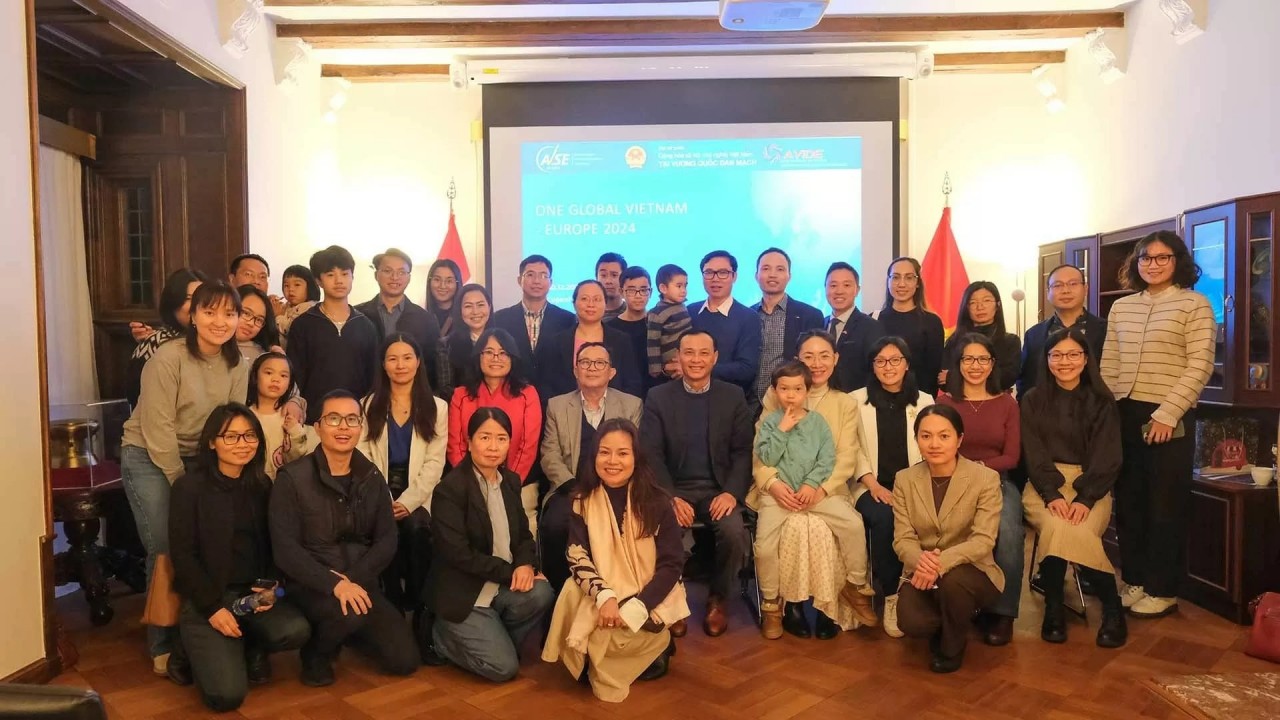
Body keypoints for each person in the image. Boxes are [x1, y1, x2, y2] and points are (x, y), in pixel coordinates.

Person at [120, 281, 249, 673]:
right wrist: (185, 485)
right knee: (165, 542)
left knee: (206, 540)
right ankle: (161, 640)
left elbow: (233, 418)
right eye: (209, 312)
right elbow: (157, 429)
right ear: (192, 316)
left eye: (229, 313)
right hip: (148, 455)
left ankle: (196, 629)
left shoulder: (237, 363)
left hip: (201, 456)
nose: (219, 321)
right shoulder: (167, 357)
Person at [269, 391, 419, 686]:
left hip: (360, 582)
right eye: (334, 419)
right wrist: (335, 584)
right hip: (312, 585)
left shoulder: (372, 476)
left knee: (405, 660)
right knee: (347, 613)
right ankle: (316, 653)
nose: (343, 427)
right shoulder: (292, 478)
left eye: (352, 419)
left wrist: (352, 580)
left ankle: (346, 633)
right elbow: (285, 550)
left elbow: (387, 539)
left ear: (361, 427)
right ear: (318, 427)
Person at [1101, 230, 1215, 618]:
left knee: (1164, 505)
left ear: (1177, 261)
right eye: (1146, 258)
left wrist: (1168, 413)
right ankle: (1134, 580)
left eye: (1162, 258)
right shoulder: (1121, 308)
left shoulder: (1194, 305)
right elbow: (1109, 363)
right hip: (1124, 410)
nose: (1152, 264)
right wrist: (1107, 409)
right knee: (1130, 502)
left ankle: (1163, 589)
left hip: (1170, 415)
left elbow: (1199, 365)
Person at [168, 404, 311, 711]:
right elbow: (183, 555)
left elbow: (274, 541)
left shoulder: (262, 484)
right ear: (211, 442)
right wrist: (211, 608)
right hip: (209, 596)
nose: (242, 444)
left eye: (249, 435)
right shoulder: (188, 488)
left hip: (250, 594)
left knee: (296, 630)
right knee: (226, 696)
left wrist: (270, 583)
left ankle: (250, 645)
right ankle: (184, 650)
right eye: (230, 437)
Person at [541, 419, 687, 702]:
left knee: (599, 650)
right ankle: (613, 654)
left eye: (622, 453)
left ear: (636, 457)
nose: (612, 461)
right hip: (606, 594)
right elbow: (577, 555)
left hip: (646, 599)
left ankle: (656, 646)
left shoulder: (657, 502)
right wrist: (605, 596)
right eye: (604, 452)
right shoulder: (582, 500)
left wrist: (635, 607)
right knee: (573, 588)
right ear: (594, 456)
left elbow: (671, 565)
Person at [751, 360, 876, 640]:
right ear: (775, 390)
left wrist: (811, 485)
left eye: (797, 389)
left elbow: (827, 459)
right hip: (779, 497)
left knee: (853, 525)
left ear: (807, 391)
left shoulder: (818, 422)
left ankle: (855, 585)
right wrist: (781, 430)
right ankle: (772, 604)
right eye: (784, 389)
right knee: (764, 545)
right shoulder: (771, 421)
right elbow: (766, 458)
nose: (791, 395)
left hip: (814, 493)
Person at [428, 407, 554, 683]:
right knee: (503, 668)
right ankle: (441, 638)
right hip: (464, 595)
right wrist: (513, 572)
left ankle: (493, 637)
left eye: (501, 438)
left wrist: (525, 564)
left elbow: (522, 534)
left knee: (542, 592)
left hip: (499, 585)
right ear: (469, 441)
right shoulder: (449, 489)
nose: (493, 447)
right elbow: (459, 555)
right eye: (485, 437)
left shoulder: (510, 481)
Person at [641, 330, 753, 637]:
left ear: (715, 358)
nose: (696, 360)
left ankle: (718, 598)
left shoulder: (732, 396)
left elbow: (743, 451)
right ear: (677, 357)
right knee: (665, 530)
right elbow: (651, 454)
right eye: (688, 353)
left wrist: (731, 492)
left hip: (719, 489)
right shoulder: (658, 397)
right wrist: (670, 497)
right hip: (675, 489)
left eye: (704, 353)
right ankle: (672, 600)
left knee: (733, 533)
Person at [1022, 328, 1127, 648]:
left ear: (1085, 359)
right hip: (1042, 485)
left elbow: (1108, 456)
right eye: (1056, 355)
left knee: (1074, 529)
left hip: (1093, 486)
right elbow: (1033, 452)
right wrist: (1052, 494)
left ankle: (1068, 608)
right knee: (1055, 523)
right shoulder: (1032, 399)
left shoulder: (1101, 401)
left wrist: (1085, 498)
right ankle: (1104, 606)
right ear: (1047, 359)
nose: (1064, 361)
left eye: (1072, 355)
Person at [893, 404, 1004, 673]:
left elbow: (983, 541)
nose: (934, 444)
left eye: (944, 436)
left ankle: (952, 646)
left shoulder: (985, 479)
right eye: (925, 435)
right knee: (912, 623)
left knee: (954, 582)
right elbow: (903, 539)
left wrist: (938, 564)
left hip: (973, 571)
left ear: (960, 439)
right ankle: (955, 618)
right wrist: (921, 561)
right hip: (922, 570)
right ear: (917, 438)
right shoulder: (905, 479)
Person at [936, 333, 1023, 645]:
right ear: (958, 365)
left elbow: (1011, 457)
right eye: (968, 359)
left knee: (1010, 532)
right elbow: (938, 447)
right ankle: (954, 605)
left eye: (982, 359)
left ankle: (1003, 612)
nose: (975, 366)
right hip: (950, 482)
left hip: (996, 481)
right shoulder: (944, 402)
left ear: (992, 364)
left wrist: (978, 471)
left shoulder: (1007, 403)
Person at [357, 333, 448, 622]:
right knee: (385, 530)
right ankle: (392, 604)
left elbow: (435, 462)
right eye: (392, 358)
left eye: (407, 357)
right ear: (383, 365)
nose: (400, 365)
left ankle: (422, 608)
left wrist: (408, 501)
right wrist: (384, 498)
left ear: (418, 362)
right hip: (378, 487)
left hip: (419, 490)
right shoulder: (368, 404)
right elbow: (363, 457)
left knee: (417, 529)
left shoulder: (437, 407)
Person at [539, 342, 644, 591]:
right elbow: (549, 453)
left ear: (612, 372)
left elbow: (635, 454)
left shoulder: (631, 405)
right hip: (570, 487)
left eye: (600, 363)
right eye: (585, 362)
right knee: (554, 526)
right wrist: (573, 487)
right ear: (576, 370)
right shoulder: (557, 405)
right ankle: (560, 592)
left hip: (617, 488)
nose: (592, 368)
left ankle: (618, 589)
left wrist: (609, 487)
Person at [851, 336, 935, 638]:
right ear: (872, 366)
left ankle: (928, 590)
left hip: (915, 484)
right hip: (870, 485)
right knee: (886, 518)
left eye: (895, 359)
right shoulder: (855, 400)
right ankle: (891, 597)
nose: (889, 367)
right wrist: (870, 482)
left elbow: (930, 447)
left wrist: (911, 489)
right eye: (881, 361)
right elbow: (852, 448)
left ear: (907, 363)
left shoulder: (925, 401)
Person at [447, 328, 543, 529]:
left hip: (518, 483)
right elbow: (456, 446)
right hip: (468, 484)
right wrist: (473, 483)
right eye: (489, 352)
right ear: (478, 356)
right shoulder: (461, 395)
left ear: (512, 357)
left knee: (522, 532)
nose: (496, 358)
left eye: (503, 353)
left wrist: (508, 484)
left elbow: (528, 447)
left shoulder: (528, 394)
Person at [286, 245, 379, 423]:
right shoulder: (303, 324)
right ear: (318, 281)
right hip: (314, 419)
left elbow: (373, 377)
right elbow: (295, 375)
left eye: (344, 274)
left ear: (353, 277)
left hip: (356, 420)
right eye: (330, 275)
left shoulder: (366, 325)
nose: (338, 281)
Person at [537, 280, 642, 400]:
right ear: (574, 303)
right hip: (567, 414)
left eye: (597, 299)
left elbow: (632, 383)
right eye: (584, 299)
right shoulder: (556, 343)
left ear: (605, 304)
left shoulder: (621, 340)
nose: (591, 304)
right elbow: (547, 385)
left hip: (614, 414)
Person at [1016, 264, 1106, 398]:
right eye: (1058, 285)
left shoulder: (1106, 330)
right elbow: (1026, 379)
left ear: (1085, 289)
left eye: (1073, 284)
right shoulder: (1034, 334)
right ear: (1048, 293)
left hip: (1095, 411)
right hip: (1044, 411)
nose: (1065, 290)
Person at [689, 250, 764, 408]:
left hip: (728, 404)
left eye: (723, 273)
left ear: (734, 276)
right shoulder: (690, 312)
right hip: (688, 400)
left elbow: (747, 369)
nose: (715, 279)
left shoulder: (748, 317)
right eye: (709, 273)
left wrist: (700, 370)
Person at [354, 248, 442, 383]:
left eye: (401, 272)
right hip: (367, 394)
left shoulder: (425, 320)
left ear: (409, 277)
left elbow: (432, 367)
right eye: (388, 271)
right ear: (376, 275)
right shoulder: (357, 315)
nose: (395, 277)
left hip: (411, 395)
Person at [752, 248, 825, 409]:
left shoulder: (810, 315)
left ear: (789, 276)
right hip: (750, 403)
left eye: (780, 269)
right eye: (766, 269)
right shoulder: (747, 315)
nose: (772, 274)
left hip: (793, 403)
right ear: (756, 275)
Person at [126, 268, 208, 408]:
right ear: (173, 302)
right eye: (189, 299)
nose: (196, 306)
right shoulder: (154, 344)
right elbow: (136, 399)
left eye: (202, 299)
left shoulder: (212, 342)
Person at [490, 254, 576, 374]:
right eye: (530, 275)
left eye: (543, 275)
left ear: (550, 282)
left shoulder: (567, 320)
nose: (536, 281)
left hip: (555, 391)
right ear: (519, 280)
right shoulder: (500, 319)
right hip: (513, 389)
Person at [878, 257, 945, 396]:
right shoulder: (874, 319)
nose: (901, 284)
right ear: (888, 282)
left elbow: (933, 372)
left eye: (909, 278)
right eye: (895, 277)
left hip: (917, 401)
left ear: (918, 282)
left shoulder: (932, 322)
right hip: (877, 400)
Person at [941, 282, 1021, 392]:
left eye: (986, 300)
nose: (980, 307)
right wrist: (991, 376)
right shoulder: (954, 341)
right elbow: (942, 380)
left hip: (996, 401)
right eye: (973, 302)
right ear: (966, 308)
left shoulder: (1010, 342)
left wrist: (954, 377)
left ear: (997, 305)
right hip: (958, 401)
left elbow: (1007, 379)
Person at [246, 352, 311, 481]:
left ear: (289, 384)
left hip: (282, 486)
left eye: (283, 375)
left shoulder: (290, 416)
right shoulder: (245, 416)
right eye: (269, 373)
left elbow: (296, 457)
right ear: (255, 377)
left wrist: (295, 432)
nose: (276, 379)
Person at [824, 262, 885, 393]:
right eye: (833, 285)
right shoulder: (818, 324)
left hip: (858, 405)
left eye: (846, 285)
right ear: (825, 288)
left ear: (857, 290)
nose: (839, 291)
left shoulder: (871, 327)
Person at [443, 283, 493, 401]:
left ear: (489, 307)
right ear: (460, 310)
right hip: (463, 410)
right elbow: (446, 389)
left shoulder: (503, 342)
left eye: (480, 305)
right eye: (468, 306)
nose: (475, 312)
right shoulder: (446, 345)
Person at [608, 266, 654, 396]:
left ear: (651, 292)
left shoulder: (659, 324)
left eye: (643, 290)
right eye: (632, 290)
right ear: (621, 292)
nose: (638, 296)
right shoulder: (610, 328)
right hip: (623, 397)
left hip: (657, 395)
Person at [646, 263, 692, 383]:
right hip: (672, 364)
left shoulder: (683, 306)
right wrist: (656, 370)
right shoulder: (656, 313)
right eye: (679, 286)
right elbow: (653, 342)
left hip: (689, 357)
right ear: (663, 288)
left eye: (685, 286)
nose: (683, 291)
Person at [425, 259, 463, 392]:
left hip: (459, 392)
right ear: (430, 281)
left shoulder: (466, 318)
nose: (442, 285)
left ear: (457, 284)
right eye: (437, 279)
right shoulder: (419, 317)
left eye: (449, 281)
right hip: (428, 391)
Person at [235, 284, 281, 363]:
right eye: (246, 313)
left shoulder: (264, 357)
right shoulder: (211, 345)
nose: (251, 323)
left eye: (259, 320)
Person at [277, 265, 319, 346]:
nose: (290, 289)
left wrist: (278, 316)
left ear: (310, 286)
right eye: (286, 285)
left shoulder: (309, 308)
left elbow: (289, 328)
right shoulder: (287, 306)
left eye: (297, 285)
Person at [597, 252, 628, 320]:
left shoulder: (635, 314)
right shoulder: (584, 316)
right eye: (603, 275)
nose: (608, 281)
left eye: (614, 275)